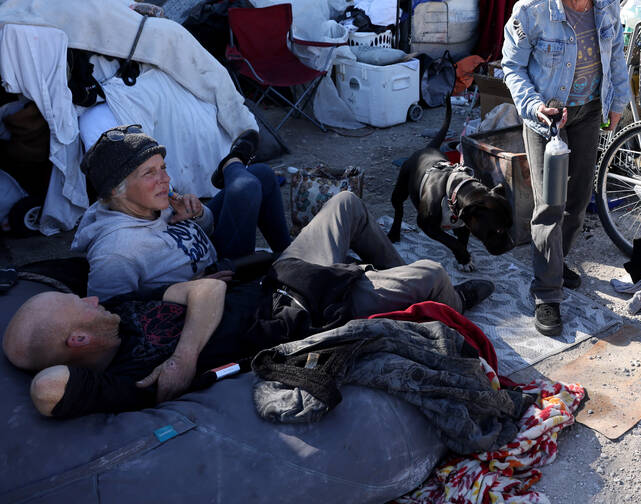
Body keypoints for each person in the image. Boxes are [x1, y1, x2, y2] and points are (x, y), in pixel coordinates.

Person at [3, 190, 494, 418]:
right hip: (303, 313)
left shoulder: (125, 311)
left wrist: (183, 354)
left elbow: (207, 288)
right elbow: (49, 389)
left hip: (280, 277)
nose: (91, 297)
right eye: (79, 307)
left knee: (345, 202)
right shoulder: (123, 379)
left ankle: (402, 281)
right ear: (78, 340)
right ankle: (451, 303)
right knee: (433, 272)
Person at [501, 0, 632, 336]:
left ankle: (556, 261)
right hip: (547, 119)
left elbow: (616, 55)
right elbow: (512, 66)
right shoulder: (531, 10)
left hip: (589, 111)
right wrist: (534, 106)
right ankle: (547, 292)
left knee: (577, 202)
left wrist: (617, 102)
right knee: (549, 206)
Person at [73, 126, 289, 300]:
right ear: (115, 189)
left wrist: (197, 215)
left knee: (261, 174)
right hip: (218, 282)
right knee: (246, 186)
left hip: (209, 250)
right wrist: (182, 290)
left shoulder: (148, 199)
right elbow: (111, 313)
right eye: (149, 173)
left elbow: (204, 229)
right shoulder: (116, 253)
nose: (165, 179)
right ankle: (232, 163)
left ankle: (289, 256)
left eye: (163, 168)